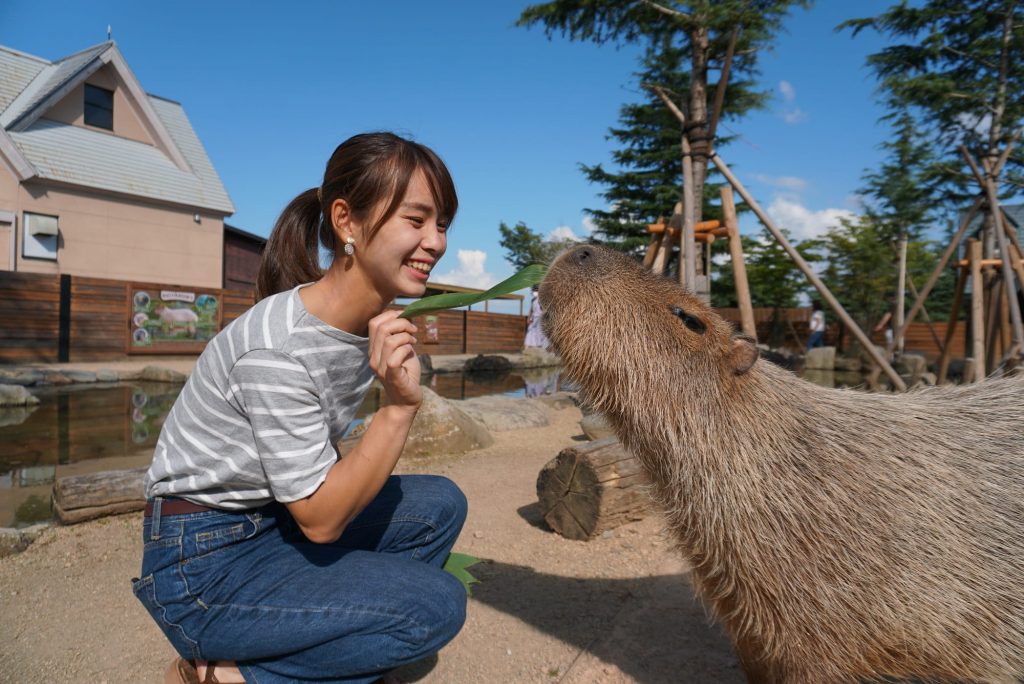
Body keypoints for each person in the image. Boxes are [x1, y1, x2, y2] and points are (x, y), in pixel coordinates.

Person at [133, 132, 468, 684]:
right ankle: (226, 674)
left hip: (272, 522)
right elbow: (321, 518)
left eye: (443, 224)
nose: (435, 241)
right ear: (347, 222)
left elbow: (318, 465)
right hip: (203, 565)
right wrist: (398, 408)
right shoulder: (277, 348)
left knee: (440, 506)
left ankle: (342, 650)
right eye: (417, 219)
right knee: (433, 610)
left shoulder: (360, 325)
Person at [523, 285, 548, 350]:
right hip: (534, 320)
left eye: (535, 291)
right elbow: (531, 310)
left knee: (539, 336)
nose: (534, 293)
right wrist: (529, 318)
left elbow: (544, 310)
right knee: (530, 334)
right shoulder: (533, 300)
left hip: (540, 320)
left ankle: (539, 349)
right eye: (533, 291)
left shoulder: (542, 299)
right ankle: (526, 350)